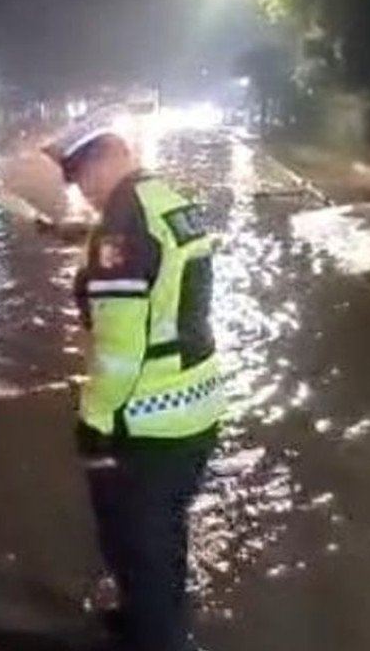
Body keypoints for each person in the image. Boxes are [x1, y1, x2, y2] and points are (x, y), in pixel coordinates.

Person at [42, 127, 223, 651]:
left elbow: (120, 347)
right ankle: (150, 617)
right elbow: (158, 266)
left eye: (79, 178)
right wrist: (76, 238)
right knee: (164, 537)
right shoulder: (170, 201)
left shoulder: (121, 225)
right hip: (196, 408)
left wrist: (95, 422)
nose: (81, 191)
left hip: (145, 422)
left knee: (132, 545)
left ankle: (153, 634)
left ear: (104, 161)